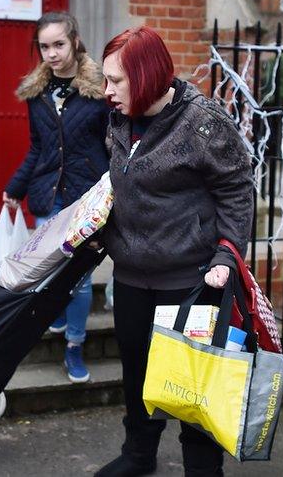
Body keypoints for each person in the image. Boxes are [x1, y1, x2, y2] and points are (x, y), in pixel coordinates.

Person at [94, 26, 254, 477]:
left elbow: (237, 192)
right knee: (138, 376)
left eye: (116, 81)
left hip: (191, 281)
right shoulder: (120, 117)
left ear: (145, 76)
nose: (107, 92)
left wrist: (226, 256)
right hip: (131, 277)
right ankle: (139, 455)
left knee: (192, 384)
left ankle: (203, 469)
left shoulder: (203, 122)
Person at [2, 11, 111, 384]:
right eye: (45, 46)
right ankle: (60, 315)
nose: (51, 53)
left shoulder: (100, 92)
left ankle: (75, 346)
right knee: (48, 270)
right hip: (49, 196)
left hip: (85, 198)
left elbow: (113, 144)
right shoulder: (37, 94)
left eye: (59, 44)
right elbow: (38, 148)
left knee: (77, 280)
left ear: (75, 42)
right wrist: (15, 188)